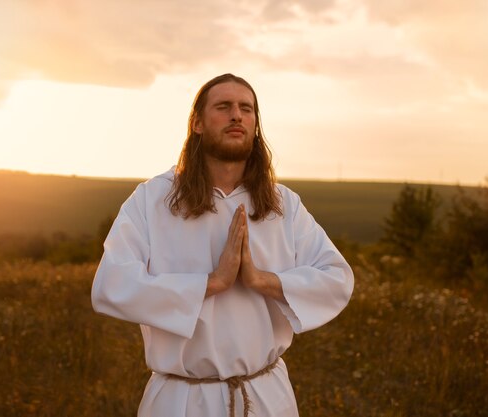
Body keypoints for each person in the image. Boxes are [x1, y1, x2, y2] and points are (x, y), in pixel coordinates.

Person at [91, 73, 354, 417]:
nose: (237, 115)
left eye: (247, 108)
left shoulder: (282, 204)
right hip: (180, 401)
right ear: (197, 122)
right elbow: (111, 285)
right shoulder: (154, 199)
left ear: (255, 124)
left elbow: (336, 277)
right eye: (224, 106)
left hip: (265, 398)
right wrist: (210, 284)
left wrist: (263, 280)